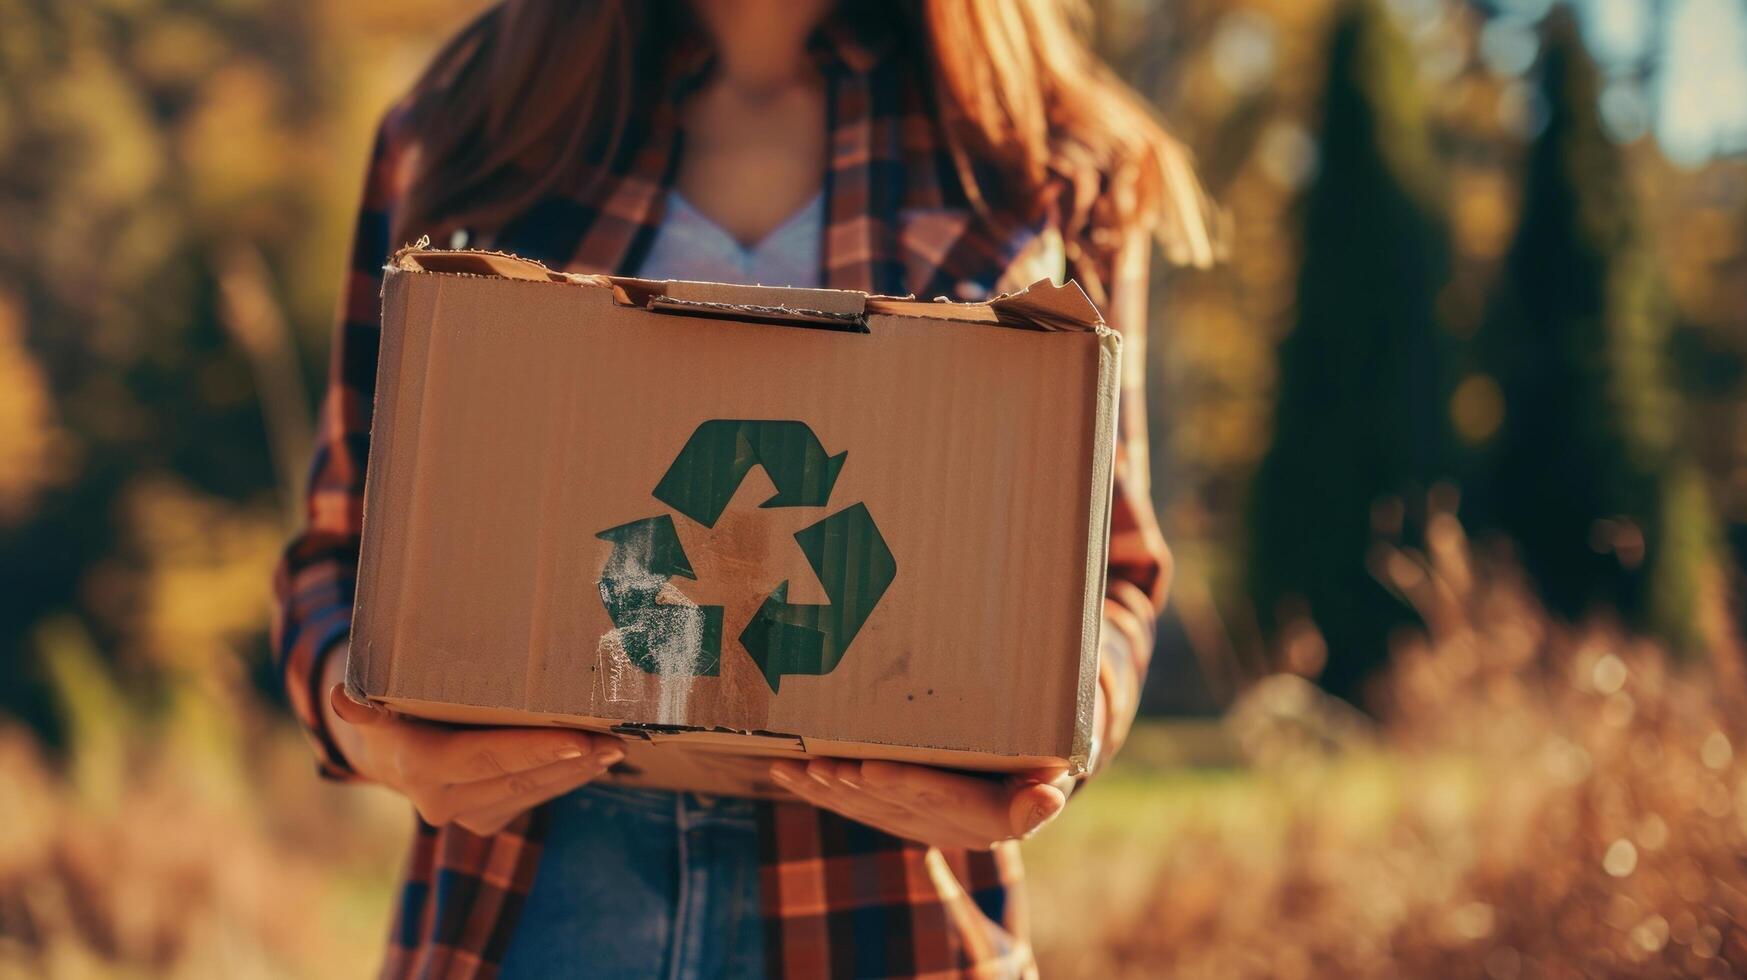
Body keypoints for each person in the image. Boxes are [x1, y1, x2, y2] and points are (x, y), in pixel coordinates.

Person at [272, 0, 1215, 975]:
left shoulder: (1051, 152)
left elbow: (1113, 575)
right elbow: (338, 557)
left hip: (889, 909)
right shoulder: (463, 123)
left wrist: (1048, 752)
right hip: (538, 897)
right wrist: (388, 747)